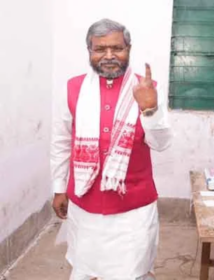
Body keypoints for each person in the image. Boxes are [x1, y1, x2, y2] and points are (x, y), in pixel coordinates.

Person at [50, 18, 172, 280]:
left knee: (132, 270)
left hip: (133, 208)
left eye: (117, 48)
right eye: (99, 49)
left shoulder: (146, 88)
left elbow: (161, 144)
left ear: (129, 48)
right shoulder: (73, 88)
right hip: (85, 203)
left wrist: (149, 109)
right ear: (89, 51)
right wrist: (59, 188)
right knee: (86, 267)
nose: (108, 56)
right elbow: (61, 140)